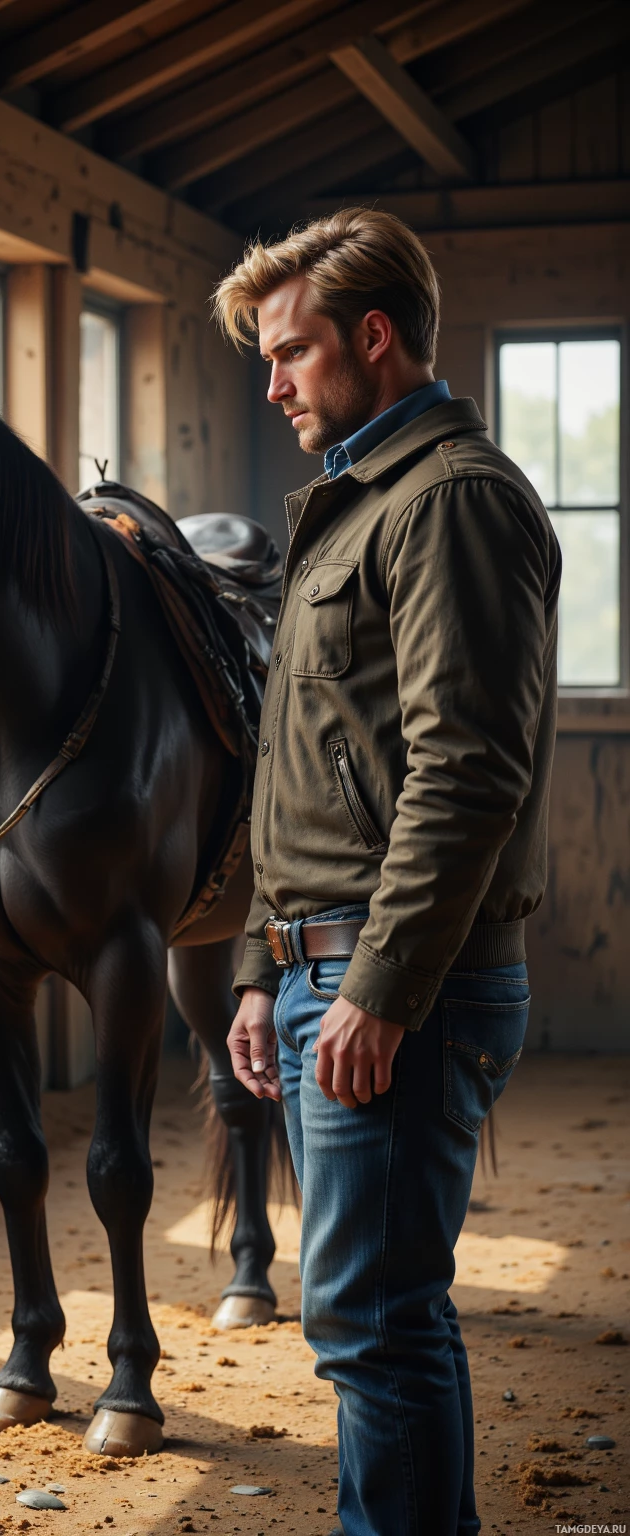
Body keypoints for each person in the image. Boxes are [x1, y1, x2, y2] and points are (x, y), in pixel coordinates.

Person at [212, 208, 560, 1536]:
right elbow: (297, 771)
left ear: (375, 339)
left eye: (293, 351)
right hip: (324, 968)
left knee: (374, 1318)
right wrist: (259, 967)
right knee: (362, 1318)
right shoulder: (362, 504)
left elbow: (467, 772)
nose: (274, 380)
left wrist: (380, 986)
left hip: (392, 982)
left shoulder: (454, 502)